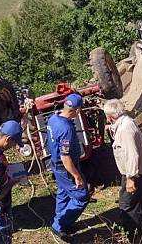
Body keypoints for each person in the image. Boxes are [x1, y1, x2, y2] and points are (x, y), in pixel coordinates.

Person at [103, 99, 142, 241]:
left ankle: (134, 236)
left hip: (136, 173)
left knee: (127, 205)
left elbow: (132, 155)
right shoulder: (125, 122)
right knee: (140, 200)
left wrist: (131, 179)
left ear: (109, 116)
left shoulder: (125, 130)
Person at [47, 93, 90, 242]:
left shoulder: (53, 118)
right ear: (77, 111)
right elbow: (65, 157)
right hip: (66, 168)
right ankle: (60, 224)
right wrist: (77, 176)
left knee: (63, 194)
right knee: (82, 196)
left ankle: (60, 223)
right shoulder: (66, 129)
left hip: (55, 165)